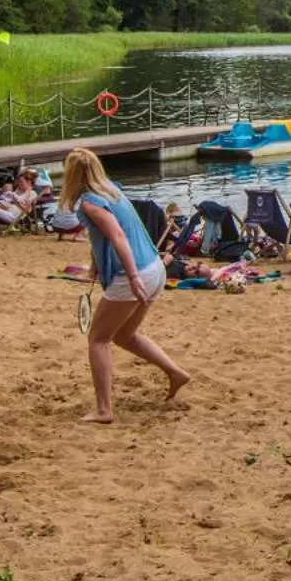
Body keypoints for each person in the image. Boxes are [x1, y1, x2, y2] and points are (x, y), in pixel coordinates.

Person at [63, 148, 191, 423]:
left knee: (98, 339)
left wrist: (131, 277)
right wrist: (96, 266)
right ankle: (175, 372)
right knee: (125, 335)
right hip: (154, 268)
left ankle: (103, 410)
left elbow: (117, 234)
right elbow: (103, 238)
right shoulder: (112, 190)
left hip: (135, 273)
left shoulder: (90, 202)